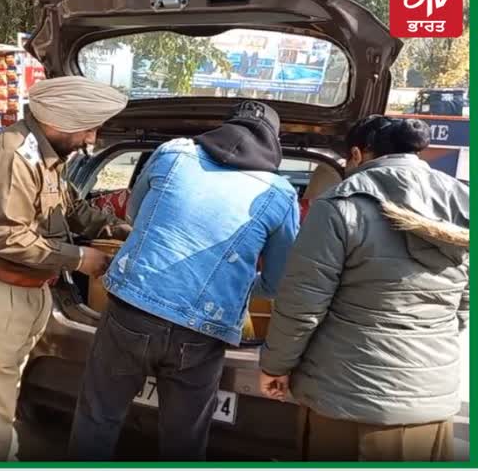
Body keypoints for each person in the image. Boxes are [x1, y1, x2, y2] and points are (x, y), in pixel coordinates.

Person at [69, 100, 300, 460]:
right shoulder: (280, 194)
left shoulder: (174, 152)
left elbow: (133, 212)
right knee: (185, 441)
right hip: (202, 332)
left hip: (132, 310)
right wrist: (234, 287)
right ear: (274, 142)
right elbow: (278, 280)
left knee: (98, 418)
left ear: (225, 127)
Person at [0, 76, 132, 461]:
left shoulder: (46, 156)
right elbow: (6, 238)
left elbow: (71, 210)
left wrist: (122, 230)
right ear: (59, 121)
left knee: (0, 401)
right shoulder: (13, 157)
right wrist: (81, 259)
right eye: (88, 128)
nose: (91, 140)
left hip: (24, 293)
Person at [259, 115, 469, 461]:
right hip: (429, 402)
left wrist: (275, 366)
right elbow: (464, 302)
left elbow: (302, 305)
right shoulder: (462, 202)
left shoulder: (342, 205)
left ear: (357, 154)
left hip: (344, 402)